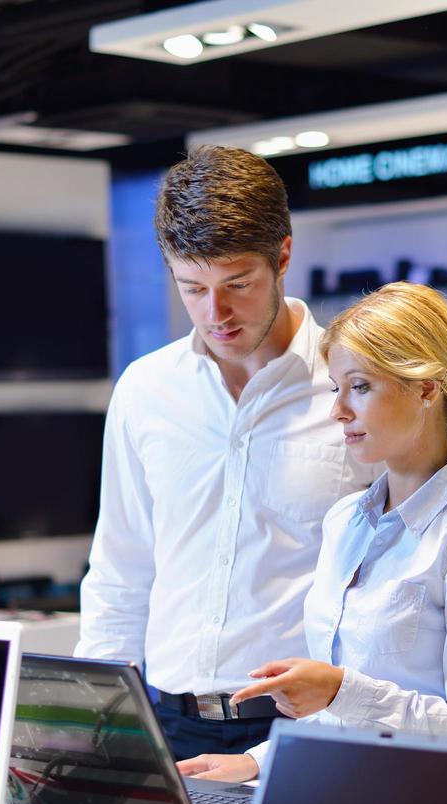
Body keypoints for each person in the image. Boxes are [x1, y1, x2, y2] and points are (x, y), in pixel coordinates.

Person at [74, 145, 377, 760]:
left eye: (238, 283)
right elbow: (121, 569)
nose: (217, 313)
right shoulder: (145, 390)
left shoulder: (355, 388)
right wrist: (89, 723)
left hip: (308, 725)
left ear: (283, 255)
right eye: (192, 287)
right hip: (170, 722)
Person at [176, 282, 447, 782]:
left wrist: (341, 689)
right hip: (330, 790)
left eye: (360, 387)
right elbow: (338, 714)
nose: (338, 410)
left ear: (427, 388)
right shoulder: (346, 522)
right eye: (335, 388)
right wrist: (254, 762)